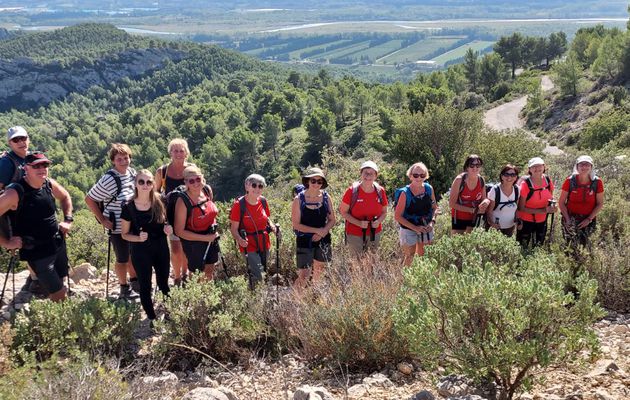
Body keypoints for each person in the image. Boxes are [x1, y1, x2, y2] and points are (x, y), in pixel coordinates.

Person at [0, 152, 73, 302]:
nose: (42, 169)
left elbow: (65, 197)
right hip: (37, 253)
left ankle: (57, 313)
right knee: (59, 294)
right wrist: (6, 242)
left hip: (57, 244)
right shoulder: (15, 192)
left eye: (45, 165)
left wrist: (68, 219)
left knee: (62, 283)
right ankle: (59, 321)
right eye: (36, 166)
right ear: (26, 167)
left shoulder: (49, 184)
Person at [85, 143, 139, 299]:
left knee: (133, 255)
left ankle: (136, 282)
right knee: (122, 258)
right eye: (119, 159)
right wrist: (102, 220)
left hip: (132, 224)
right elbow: (89, 199)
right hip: (117, 227)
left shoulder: (131, 173)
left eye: (126, 157)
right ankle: (124, 288)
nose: (123, 161)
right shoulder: (110, 179)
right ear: (113, 161)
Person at [121, 170, 171, 324]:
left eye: (149, 182)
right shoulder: (128, 206)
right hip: (140, 250)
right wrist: (137, 238)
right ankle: (152, 318)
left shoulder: (160, 201)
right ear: (135, 184)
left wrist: (168, 228)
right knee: (145, 285)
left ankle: (171, 313)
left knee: (163, 282)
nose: (145, 185)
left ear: (153, 184)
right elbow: (124, 234)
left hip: (161, 246)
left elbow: (166, 221)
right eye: (141, 182)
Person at [0, 126, 44, 294]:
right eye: (16, 140)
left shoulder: (29, 158)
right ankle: (36, 281)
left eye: (23, 138)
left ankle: (34, 279)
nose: (21, 142)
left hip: (27, 209)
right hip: (11, 211)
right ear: (9, 143)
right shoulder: (6, 162)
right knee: (24, 242)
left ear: (28, 138)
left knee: (32, 242)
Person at [229, 174, 279, 288]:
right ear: (247, 186)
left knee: (264, 271)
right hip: (248, 244)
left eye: (260, 186)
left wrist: (272, 226)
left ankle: (256, 295)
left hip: (264, 242)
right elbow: (233, 228)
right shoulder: (239, 205)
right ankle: (257, 301)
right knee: (259, 274)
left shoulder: (263, 201)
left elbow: (267, 218)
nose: (257, 189)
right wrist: (239, 239)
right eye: (254, 185)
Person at [291, 167, 335, 290]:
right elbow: (296, 225)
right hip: (305, 240)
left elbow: (332, 220)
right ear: (308, 181)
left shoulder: (326, 197)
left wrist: (322, 233)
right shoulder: (298, 200)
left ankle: (315, 294)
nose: (316, 184)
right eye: (313, 181)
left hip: (323, 238)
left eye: (319, 181)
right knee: (304, 274)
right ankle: (295, 301)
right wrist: (317, 231)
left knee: (320, 270)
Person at [155, 138, 191, 286]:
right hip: (170, 215)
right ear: (170, 152)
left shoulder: (191, 170)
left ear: (186, 153)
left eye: (181, 150)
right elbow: (155, 193)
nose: (178, 153)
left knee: (187, 248)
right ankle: (177, 278)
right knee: (176, 249)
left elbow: (201, 188)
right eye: (175, 150)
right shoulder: (162, 171)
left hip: (189, 214)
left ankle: (185, 274)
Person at [173, 166, 219, 281]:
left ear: (202, 178)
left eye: (198, 179)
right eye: (191, 181)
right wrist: (204, 238)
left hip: (210, 237)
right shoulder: (182, 201)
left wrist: (213, 232)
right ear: (186, 182)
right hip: (193, 243)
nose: (195, 183)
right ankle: (196, 297)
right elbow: (179, 231)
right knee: (197, 274)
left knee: (210, 269)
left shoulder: (207, 191)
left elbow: (210, 211)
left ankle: (207, 295)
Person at [339, 161, 388, 255]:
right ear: (361, 173)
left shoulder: (380, 191)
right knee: (356, 262)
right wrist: (359, 223)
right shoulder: (352, 191)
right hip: (354, 233)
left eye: (371, 173)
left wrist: (378, 221)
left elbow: (384, 212)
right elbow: (343, 212)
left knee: (370, 261)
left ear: (376, 176)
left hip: (374, 232)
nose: (368, 176)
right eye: (365, 172)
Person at [394, 162, 437, 265]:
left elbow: (434, 208)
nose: (419, 178)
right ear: (410, 176)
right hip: (408, 229)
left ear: (425, 176)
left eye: (422, 175)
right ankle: (407, 280)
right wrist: (415, 228)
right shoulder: (405, 193)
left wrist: (432, 222)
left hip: (426, 228)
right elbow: (398, 216)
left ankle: (421, 279)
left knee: (424, 256)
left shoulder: (428, 189)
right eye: (415, 175)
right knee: (409, 257)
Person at [558, 155, 604, 247]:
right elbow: (561, 202)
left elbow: (600, 204)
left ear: (591, 167)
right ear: (577, 167)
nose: (584, 167)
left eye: (587, 164)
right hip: (570, 218)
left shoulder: (597, 182)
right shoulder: (570, 181)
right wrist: (567, 219)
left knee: (585, 246)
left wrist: (589, 219)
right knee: (569, 245)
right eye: (581, 164)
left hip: (588, 219)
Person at [516, 157, 557, 248]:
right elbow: (521, 208)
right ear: (529, 169)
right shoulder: (525, 184)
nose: (537, 168)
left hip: (542, 220)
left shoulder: (547, 181)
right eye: (534, 166)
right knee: (523, 246)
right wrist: (544, 210)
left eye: (539, 166)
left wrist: (553, 207)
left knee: (538, 245)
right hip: (525, 220)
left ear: (544, 167)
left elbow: (550, 197)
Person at [449, 155, 490, 235]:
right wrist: (472, 210)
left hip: (474, 218)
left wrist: (486, 202)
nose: (475, 168)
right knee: (458, 244)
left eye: (478, 165)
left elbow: (484, 198)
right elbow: (452, 204)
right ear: (467, 167)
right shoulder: (459, 180)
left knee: (471, 245)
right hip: (459, 218)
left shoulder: (481, 180)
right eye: (472, 165)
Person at [486, 164, 520, 237]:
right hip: (495, 228)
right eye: (506, 174)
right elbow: (489, 211)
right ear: (502, 176)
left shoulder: (517, 190)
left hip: (510, 228)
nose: (509, 177)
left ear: (516, 177)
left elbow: (517, 209)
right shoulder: (495, 190)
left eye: (513, 175)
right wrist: (492, 224)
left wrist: (518, 221)